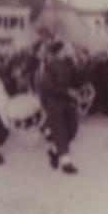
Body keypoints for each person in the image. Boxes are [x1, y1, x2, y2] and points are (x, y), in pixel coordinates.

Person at [40, 41, 81, 174]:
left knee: (73, 129)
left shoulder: (69, 64)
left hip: (68, 102)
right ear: (59, 52)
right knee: (61, 131)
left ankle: (54, 150)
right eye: (66, 49)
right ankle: (66, 163)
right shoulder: (50, 67)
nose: (68, 50)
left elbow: (78, 81)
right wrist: (67, 91)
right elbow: (48, 86)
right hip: (55, 103)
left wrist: (78, 65)